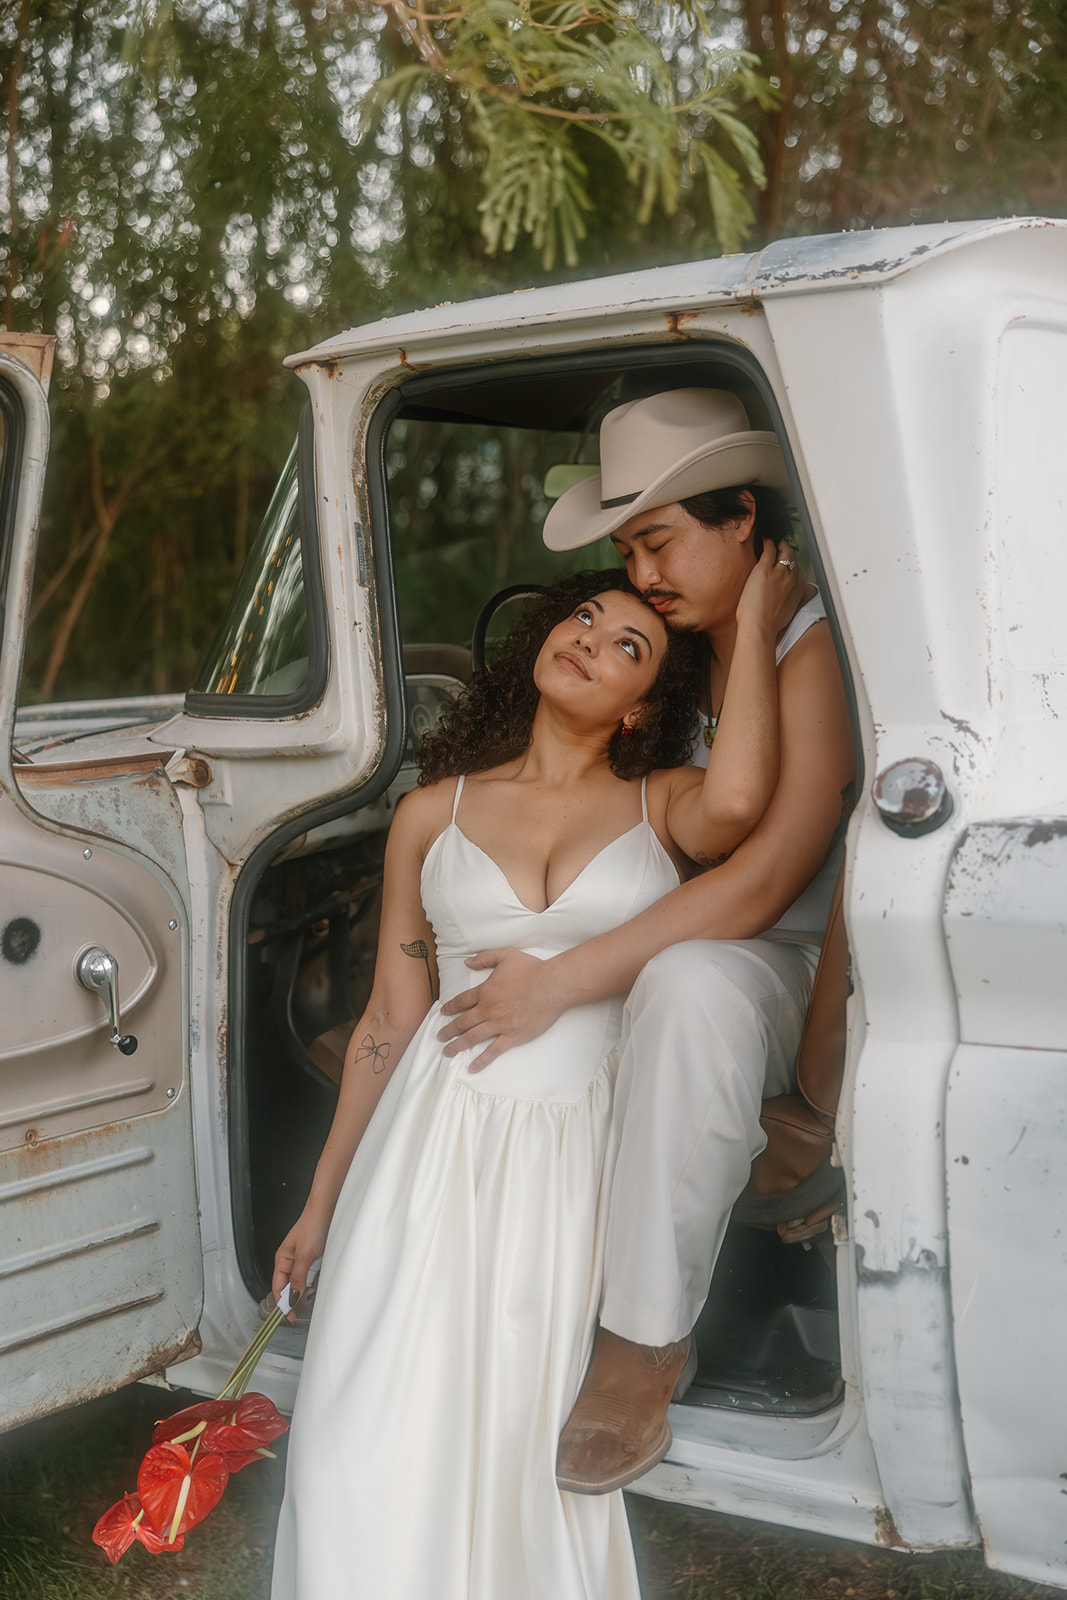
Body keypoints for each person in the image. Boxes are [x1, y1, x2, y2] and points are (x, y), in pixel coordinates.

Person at [270, 556, 800, 1600]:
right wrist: (321, 1203)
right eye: (583, 619)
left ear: (641, 707)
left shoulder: (662, 803)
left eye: (625, 646)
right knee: (356, 1429)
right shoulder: (431, 813)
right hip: (429, 1149)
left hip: (575, 1152)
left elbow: (742, 799)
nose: (589, 640)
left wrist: (749, 623)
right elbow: (388, 1019)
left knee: (517, 1440)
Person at [434, 388, 856, 1494]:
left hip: (792, 964)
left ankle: (640, 1344)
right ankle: (468, 1308)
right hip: (685, 946)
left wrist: (560, 979)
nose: (643, 570)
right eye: (627, 549)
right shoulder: (672, 652)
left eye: (660, 540)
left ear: (743, 522)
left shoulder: (806, 646)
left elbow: (763, 879)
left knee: (688, 982)